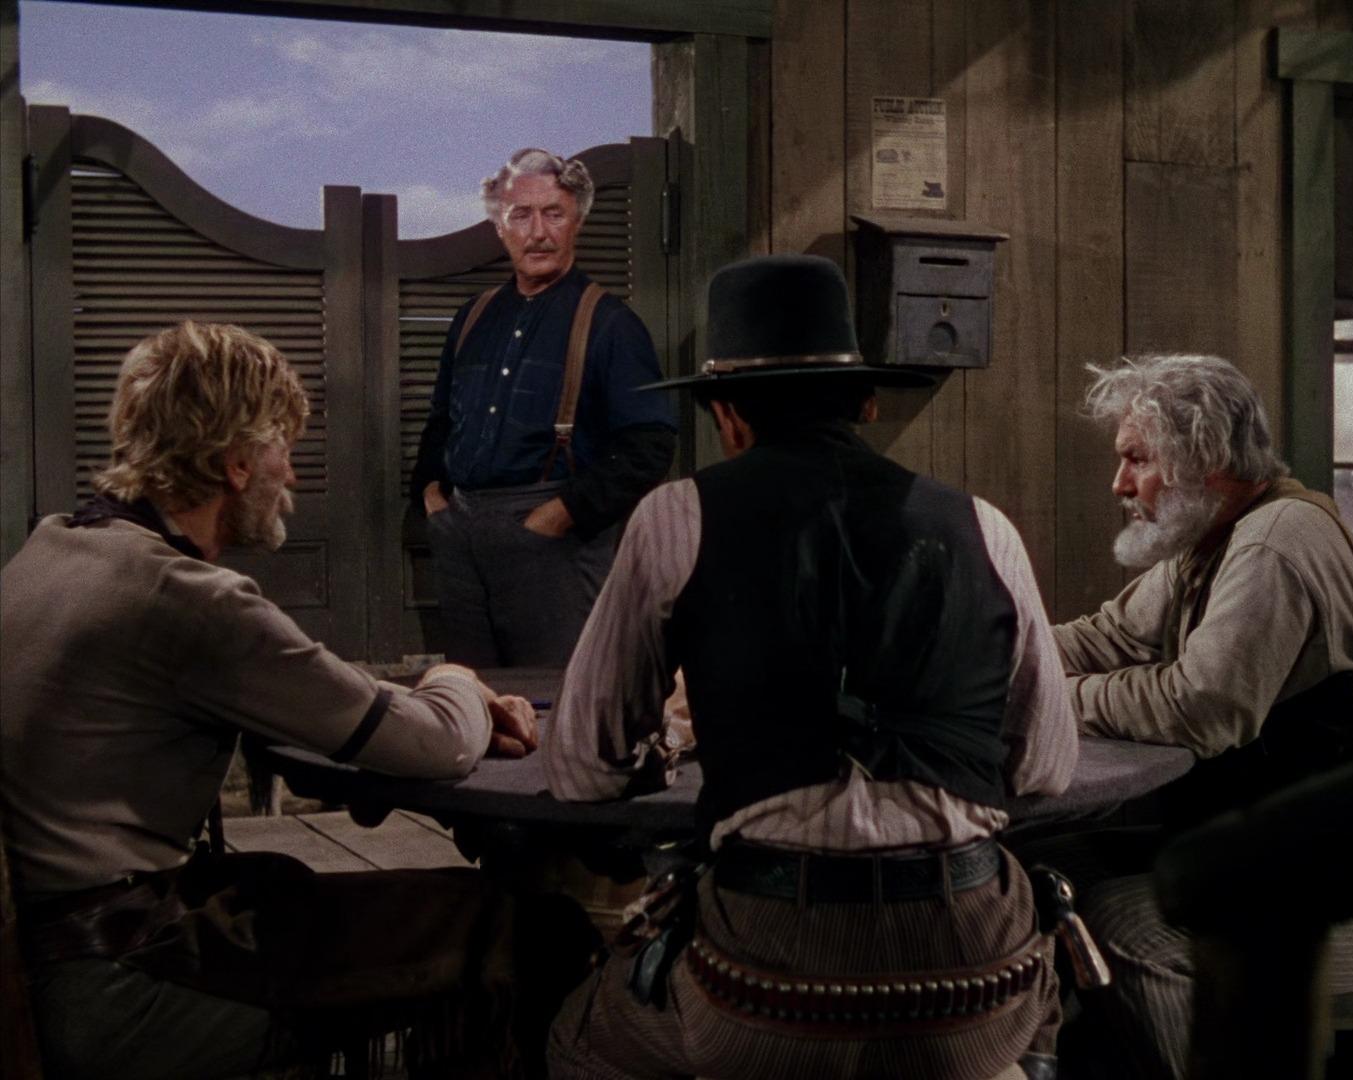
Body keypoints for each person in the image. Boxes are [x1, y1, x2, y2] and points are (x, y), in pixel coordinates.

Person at [542, 255, 1079, 1080]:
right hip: (974, 981)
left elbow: (582, 769)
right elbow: (1045, 766)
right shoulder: (985, 526)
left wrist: (677, 749)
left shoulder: (676, 517)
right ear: (866, 402)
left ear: (726, 414)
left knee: (574, 1038)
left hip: (765, 985)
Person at [0, 321, 541, 1080]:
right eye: (284, 447)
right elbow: (437, 746)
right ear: (236, 464)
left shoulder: (52, 547)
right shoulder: (187, 598)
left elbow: (306, 682)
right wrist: (457, 680)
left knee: (286, 881)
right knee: (513, 925)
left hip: (45, 955)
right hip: (120, 987)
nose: (291, 474)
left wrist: (402, 695)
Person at [1049, 353, 1353, 1080]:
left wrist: (1055, 699)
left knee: (1128, 929)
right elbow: (1108, 637)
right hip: (1285, 844)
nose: (1119, 483)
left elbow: (1202, 707)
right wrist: (999, 659)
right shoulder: (1212, 537)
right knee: (1054, 869)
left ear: (1205, 460)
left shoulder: (1275, 542)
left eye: (1137, 460)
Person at [411, 147, 677, 667]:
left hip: (553, 545)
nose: (538, 232)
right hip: (461, 540)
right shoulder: (473, 317)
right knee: (472, 696)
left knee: (557, 696)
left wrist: (559, 516)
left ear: (577, 220)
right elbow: (442, 421)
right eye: (521, 215)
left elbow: (650, 444)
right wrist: (433, 500)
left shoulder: (610, 323)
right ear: (499, 226)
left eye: (553, 213)